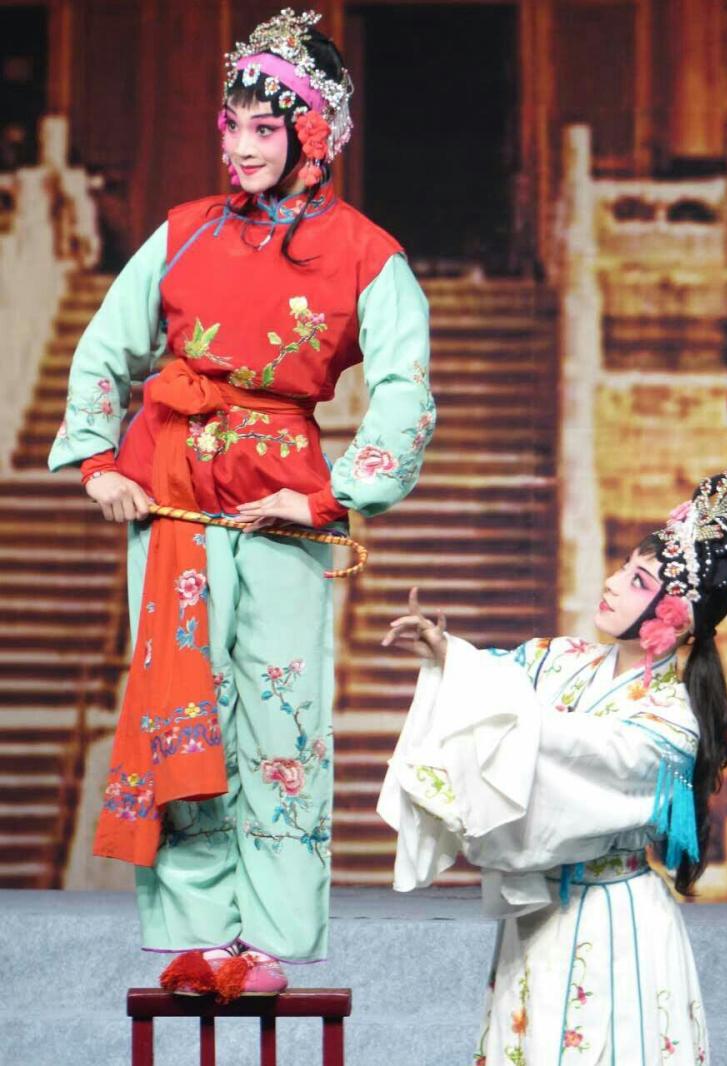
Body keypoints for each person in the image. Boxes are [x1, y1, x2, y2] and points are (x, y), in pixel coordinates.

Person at [49, 7, 434, 1000]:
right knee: (183, 711)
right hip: (173, 504)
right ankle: (196, 935)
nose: (242, 146)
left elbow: (404, 390)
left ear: (316, 134)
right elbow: (104, 349)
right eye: (233, 125)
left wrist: (335, 495)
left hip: (279, 513)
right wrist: (97, 463)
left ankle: (267, 941)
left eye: (266, 128)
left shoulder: (367, 254)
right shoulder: (183, 233)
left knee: (278, 717)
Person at [378, 464, 727, 1064]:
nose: (612, 584)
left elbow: (573, 750)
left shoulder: (669, 721)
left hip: (613, 917)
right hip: (538, 912)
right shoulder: (559, 658)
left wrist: (493, 699)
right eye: (623, 567)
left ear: (677, 619)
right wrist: (447, 654)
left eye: (638, 580)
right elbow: (493, 686)